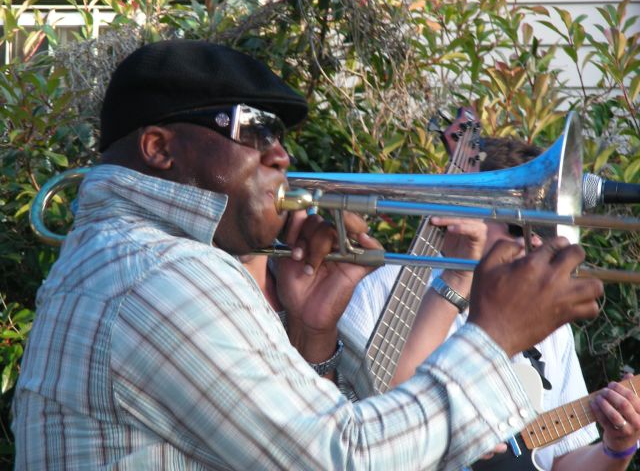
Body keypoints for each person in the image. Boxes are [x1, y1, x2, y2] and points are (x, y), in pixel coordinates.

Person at [11, 40, 603, 470]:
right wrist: (495, 339)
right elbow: (347, 459)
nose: (280, 155)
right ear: (160, 148)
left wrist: (313, 334)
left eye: (280, 136)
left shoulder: (127, 260)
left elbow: (322, 441)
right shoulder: (165, 273)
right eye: (255, 129)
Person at [340, 136, 640, 470]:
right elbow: (359, 429)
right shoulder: (386, 286)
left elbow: (558, 462)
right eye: (516, 226)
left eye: (545, 227)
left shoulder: (549, 318)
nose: (534, 239)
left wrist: (618, 448)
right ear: (467, 213)